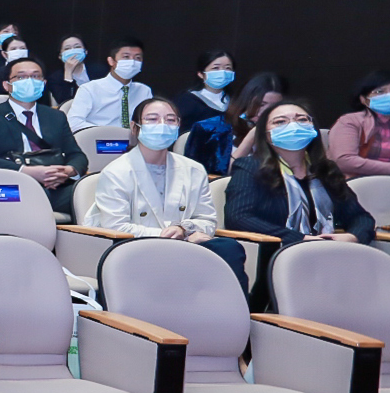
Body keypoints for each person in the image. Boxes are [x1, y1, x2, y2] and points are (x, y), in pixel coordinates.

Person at [88, 98, 248, 288]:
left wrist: (184, 229)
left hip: (185, 248)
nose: (162, 125)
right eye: (152, 119)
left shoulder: (194, 169)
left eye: (170, 120)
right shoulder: (117, 172)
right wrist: (172, 235)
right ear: (135, 127)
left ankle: (234, 306)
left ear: (178, 126)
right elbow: (116, 227)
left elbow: (207, 220)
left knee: (228, 248)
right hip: (138, 250)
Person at [224, 102, 376, 247]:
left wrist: (353, 237)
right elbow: (238, 217)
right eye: (280, 122)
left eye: (302, 119)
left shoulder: (325, 169)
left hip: (328, 250)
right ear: (266, 135)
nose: (293, 126)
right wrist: (299, 239)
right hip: (276, 252)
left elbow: (361, 217)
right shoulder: (250, 167)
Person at [0, 58, 87, 216]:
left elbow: (76, 155)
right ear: (7, 85)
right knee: (36, 196)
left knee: (93, 193)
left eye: (35, 76)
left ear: (43, 83)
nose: (29, 81)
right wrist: (27, 172)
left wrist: (67, 171)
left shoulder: (56, 116)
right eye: (21, 77)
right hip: (9, 185)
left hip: (54, 186)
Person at [184, 71, 285, 177]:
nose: (266, 112)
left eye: (274, 106)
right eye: (261, 104)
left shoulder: (284, 130)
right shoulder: (209, 128)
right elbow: (196, 176)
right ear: (246, 101)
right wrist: (251, 138)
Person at [328, 70, 390, 179]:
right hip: (358, 184)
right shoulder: (350, 121)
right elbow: (344, 161)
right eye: (379, 92)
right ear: (364, 99)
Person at [67, 39, 151, 131]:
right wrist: (107, 132)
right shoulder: (89, 89)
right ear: (111, 61)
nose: (132, 62)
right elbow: (74, 123)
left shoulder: (144, 90)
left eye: (138, 58)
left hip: (135, 139)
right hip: (99, 138)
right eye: (126, 57)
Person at [172, 50, 237, 129]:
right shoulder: (186, 101)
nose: (223, 72)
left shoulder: (237, 100)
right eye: (216, 68)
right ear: (201, 74)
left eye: (228, 68)